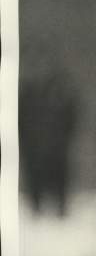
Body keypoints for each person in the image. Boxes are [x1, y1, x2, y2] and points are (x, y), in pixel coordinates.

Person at [19, 42, 78, 218]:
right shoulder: (25, 91)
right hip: (32, 146)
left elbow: (72, 115)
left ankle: (61, 216)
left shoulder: (61, 89)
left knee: (59, 184)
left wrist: (64, 136)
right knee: (34, 183)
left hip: (58, 146)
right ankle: (34, 214)